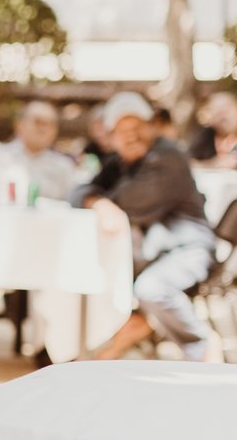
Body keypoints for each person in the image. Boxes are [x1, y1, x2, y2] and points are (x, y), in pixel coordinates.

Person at [73, 92, 220, 363]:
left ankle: (202, 345)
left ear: (151, 126)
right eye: (122, 130)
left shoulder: (168, 156)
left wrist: (102, 201)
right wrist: (96, 201)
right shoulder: (120, 161)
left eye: (137, 127)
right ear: (111, 136)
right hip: (149, 255)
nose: (131, 136)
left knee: (151, 289)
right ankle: (111, 338)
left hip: (188, 250)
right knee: (87, 272)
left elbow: (130, 201)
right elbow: (78, 191)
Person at [0, 100, 84, 201]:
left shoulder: (63, 166)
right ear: (19, 125)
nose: (43, 129)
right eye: (38, 122)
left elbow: (73, 200)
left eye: (49, 124)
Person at [189, 91, 237, 169]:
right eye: (217, 110)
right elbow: (188, 163)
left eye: (226, 109)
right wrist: (214, 164)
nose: (222, 115)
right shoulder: (206, 135)